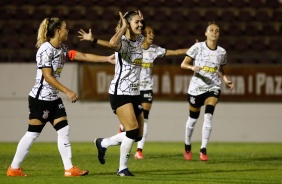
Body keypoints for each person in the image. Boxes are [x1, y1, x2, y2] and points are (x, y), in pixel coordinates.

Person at [6, 17, 115, 177]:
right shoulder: (45, 50)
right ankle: (14, 169)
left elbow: (82, 56)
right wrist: (68, 91)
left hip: (53, 99)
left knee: (63, 129)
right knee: (32, 133)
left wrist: (106, 58)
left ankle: (69, 169)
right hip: (40, 99)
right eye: (65, 28)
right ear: (58, 31)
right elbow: (48, 77)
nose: (67, 30)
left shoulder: (61, 48)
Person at [78, 25, 190, 159]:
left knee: (143, 122)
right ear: (142, 35)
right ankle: (119, 151)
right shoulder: (131, 47)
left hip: (146, 89)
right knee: (132, 130)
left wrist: (193, 49)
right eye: (149, 32)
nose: (152, 35)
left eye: (153, 32)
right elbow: (112, 44)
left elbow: (175, 52)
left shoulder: (154, 50)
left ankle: (139, 150)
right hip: (128, 90)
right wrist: (94, 40)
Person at [94, 10, 145, 177]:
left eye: (141, 22)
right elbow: (112, 44)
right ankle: (122, 169)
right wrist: (123, 27)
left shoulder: (140, 40)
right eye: (136, 22)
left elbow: (148, 37)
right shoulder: (122, 42)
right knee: (131, 131)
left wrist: (138, 23)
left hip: (135, 92)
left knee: (138, 136)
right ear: (128, 24)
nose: (140, 25)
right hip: (120, 92)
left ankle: (104, 143)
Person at [180, 21, 234, 161]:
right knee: (193, 118)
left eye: (217, 30)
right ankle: (187, 144)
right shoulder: (197, 47)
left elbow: (220, 69)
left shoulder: (222, 52)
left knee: (208, 115)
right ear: (206, 33)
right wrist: (192, 68)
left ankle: (203, 148)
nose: (214, 32)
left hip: (213, 86)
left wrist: (226, 80)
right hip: (196, 87)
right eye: (211, 30)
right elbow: (183, 64)